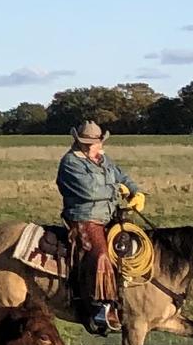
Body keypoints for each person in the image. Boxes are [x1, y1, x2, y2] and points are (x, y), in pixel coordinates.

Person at [57, 120, 139, 332]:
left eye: (96, 142)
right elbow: (89, 191)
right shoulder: (70, 163)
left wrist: (134, 190)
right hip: (84, 218)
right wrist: (116, 189)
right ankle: (99, 307)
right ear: (80, 143)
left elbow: (121, 175)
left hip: (109, 216)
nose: (95, 146)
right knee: (100, 254)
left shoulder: (103, 159)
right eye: (90, 143)